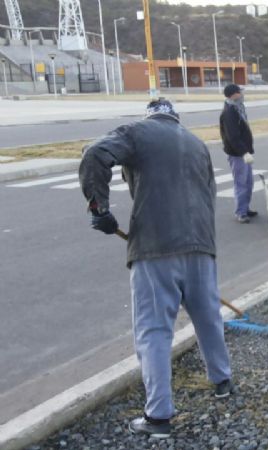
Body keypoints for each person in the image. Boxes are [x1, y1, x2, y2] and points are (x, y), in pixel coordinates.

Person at [79, 99, 233, 439]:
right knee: (208, 318)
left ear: (151, 117)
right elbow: (209, 194)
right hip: (201, 247)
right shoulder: (196, 143)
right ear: (176, 119)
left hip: (155, 248)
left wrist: (98, 208)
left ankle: (159, 416)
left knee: (154, 331)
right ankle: (223, 382)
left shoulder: (137, 133)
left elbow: (94, 154)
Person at [220, 84, 256, 223]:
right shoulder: (229, 112)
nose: (242, 94)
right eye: (239, 92)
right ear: (232, 95)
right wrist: (244, 152)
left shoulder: (238, 108)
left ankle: (245, 208)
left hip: (244, 152)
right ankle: (241, 212)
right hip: (237, 154)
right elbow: (233, 136)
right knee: (241, 183)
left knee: (248, 182)